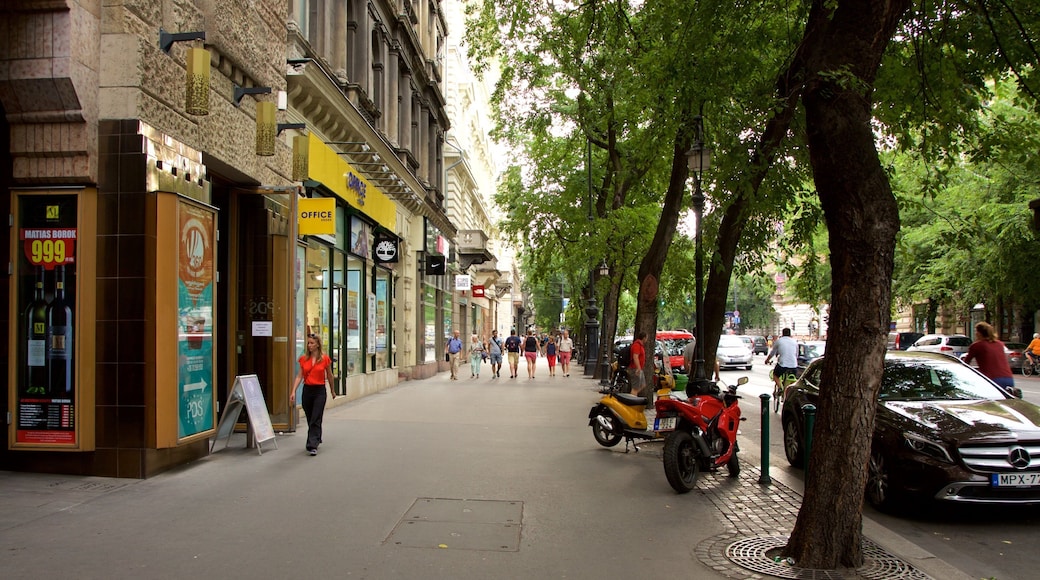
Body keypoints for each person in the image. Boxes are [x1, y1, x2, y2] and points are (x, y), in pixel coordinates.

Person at [290, 333, 336, 456]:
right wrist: (293, 391)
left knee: (316, 416)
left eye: (312, 343)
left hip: (319, 391)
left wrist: (332, 390)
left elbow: (330, 375)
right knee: (310, 417)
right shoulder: (304, 359)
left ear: (317, 345)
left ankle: (312, 445)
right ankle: (317, 436)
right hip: (308, 390)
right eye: (308, 343)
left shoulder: (325, 359)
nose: (309, 345)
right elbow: (299, 376)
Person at [964, 321, 1015, 392]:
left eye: (976, 331)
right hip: (1008, 378)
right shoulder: (1000, 344)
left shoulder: (977, 346)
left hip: (991, 380)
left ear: (979, 333)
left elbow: (966, 363)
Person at [765, 327, 798, 395]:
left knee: (775, 375)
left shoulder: (779, 341)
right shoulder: (794, 342)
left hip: (782, 365)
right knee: (793, 378)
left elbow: (772, 353)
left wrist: (767, 360)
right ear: (790, 334)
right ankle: (790, 392)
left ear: (782, 334)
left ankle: (780, 388)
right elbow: (796, 355)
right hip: (794, 365)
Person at [629, 331, 647, 396]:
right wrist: (638, 368)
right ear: (644, 338)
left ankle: (633, 394)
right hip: (635, 368)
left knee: (642, 385)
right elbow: (635, 357)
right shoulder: (637, 345)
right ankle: (632, 399)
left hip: (639, 368)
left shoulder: (640, 346)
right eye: (646, 338)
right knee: (635, 388)